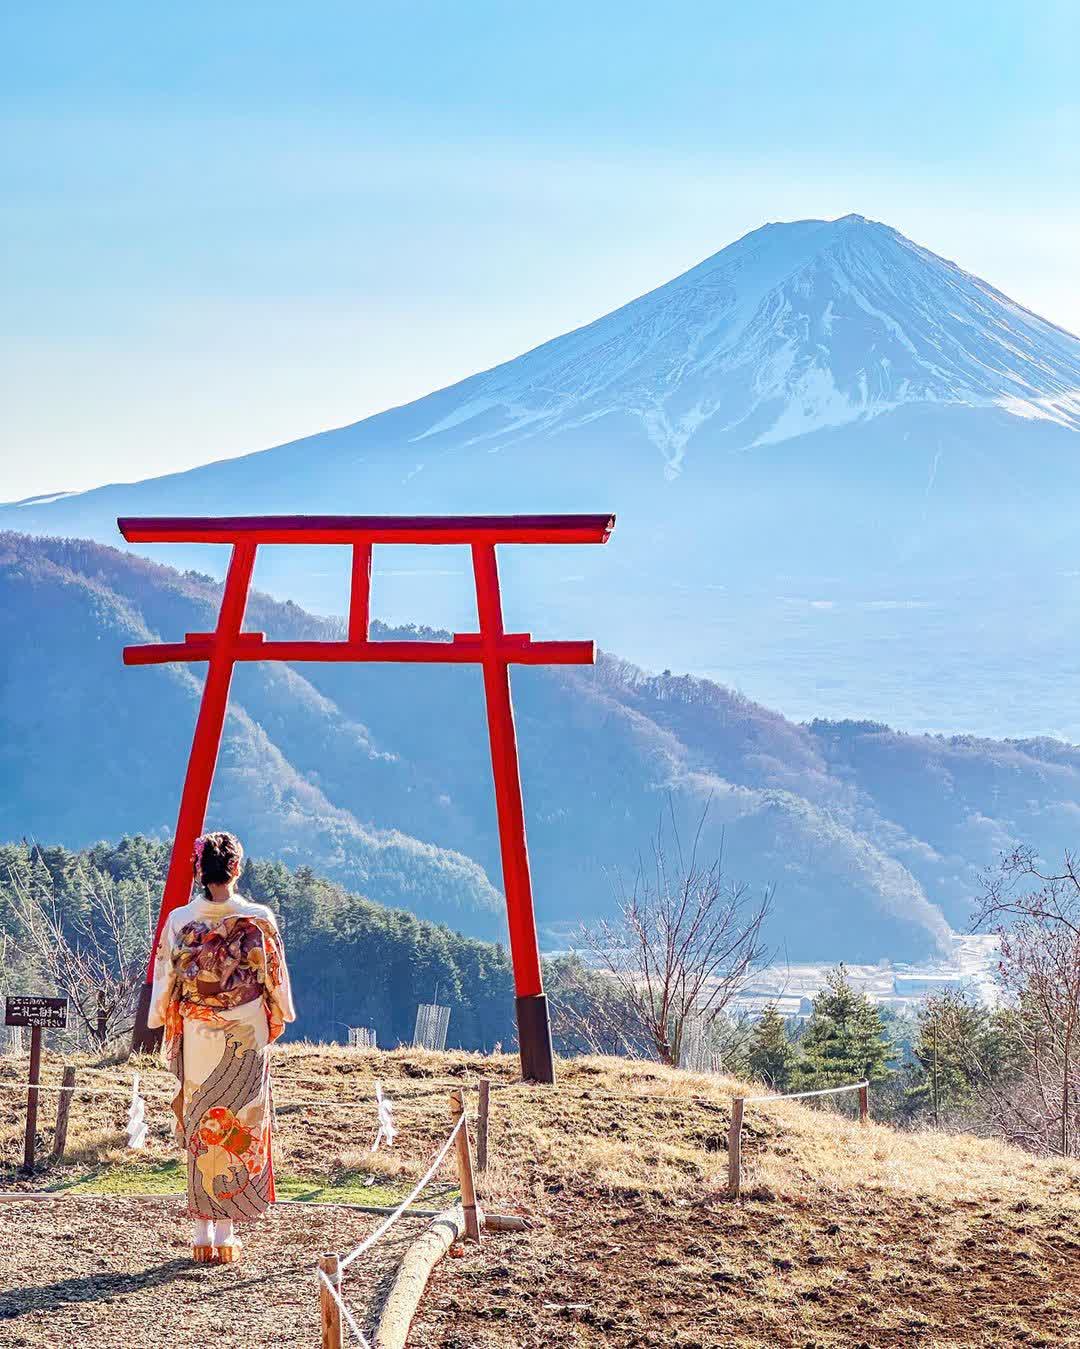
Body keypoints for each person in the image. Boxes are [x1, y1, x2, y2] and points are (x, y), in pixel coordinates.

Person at [148, 830, 295, 1263]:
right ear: (237, 869)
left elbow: (165, 981)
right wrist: (279, 1011)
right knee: (240, 1121)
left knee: (201, 1117)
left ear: (199, 870)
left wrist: (162, 1015)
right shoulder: (259, 919)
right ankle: (227, 1231)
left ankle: (200, 1232)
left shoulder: (180, 920)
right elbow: (275, 978)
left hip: (199, 1029)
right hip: (246, 1028)